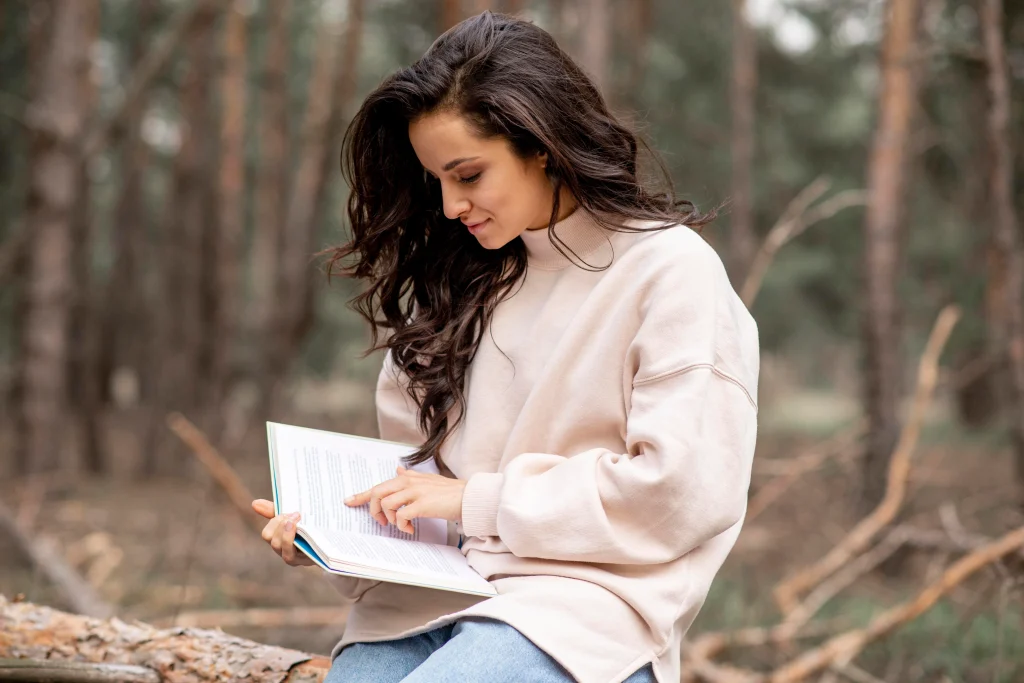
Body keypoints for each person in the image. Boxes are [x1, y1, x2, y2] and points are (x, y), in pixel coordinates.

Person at [251, 10, 759, 683]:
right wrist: (331, 539)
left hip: (581, 615)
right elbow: (424, 496)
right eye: (436, 181)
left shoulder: (668, 272)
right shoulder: (455, 290)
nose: (450, 205)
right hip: (423, 606)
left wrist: (475, 502)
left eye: (467, 175)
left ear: (540, 144)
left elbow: (680, 494)